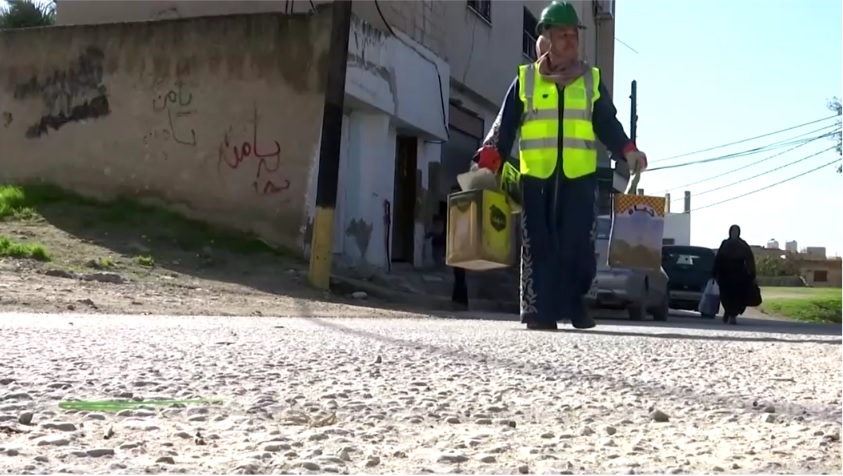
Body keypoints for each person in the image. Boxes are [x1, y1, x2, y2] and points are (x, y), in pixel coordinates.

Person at [472, 1, 648, 330]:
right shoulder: (526, 80)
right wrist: (490, 155)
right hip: (536, 178)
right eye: (563, 35)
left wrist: (628, 150)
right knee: (538, 245)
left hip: (579, 177)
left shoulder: (591, 80)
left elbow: (607, 122)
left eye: (574, 35)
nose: (571, 40)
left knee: (577, 244)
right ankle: (540, 311)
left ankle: (576, 304)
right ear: (548, 38)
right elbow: (505, 124)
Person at [712, 225, 756, 325]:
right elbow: (718, 258)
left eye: (736, 232)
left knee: (737, 297)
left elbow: (749, 260)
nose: (734, 233)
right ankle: (728, 312)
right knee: (725, 296)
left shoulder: (743, 245)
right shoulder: (725, 243)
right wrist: (714, 272)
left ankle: (732, 315)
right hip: (725, 274)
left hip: (738, 274)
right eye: (733, 231)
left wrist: (752, 274)